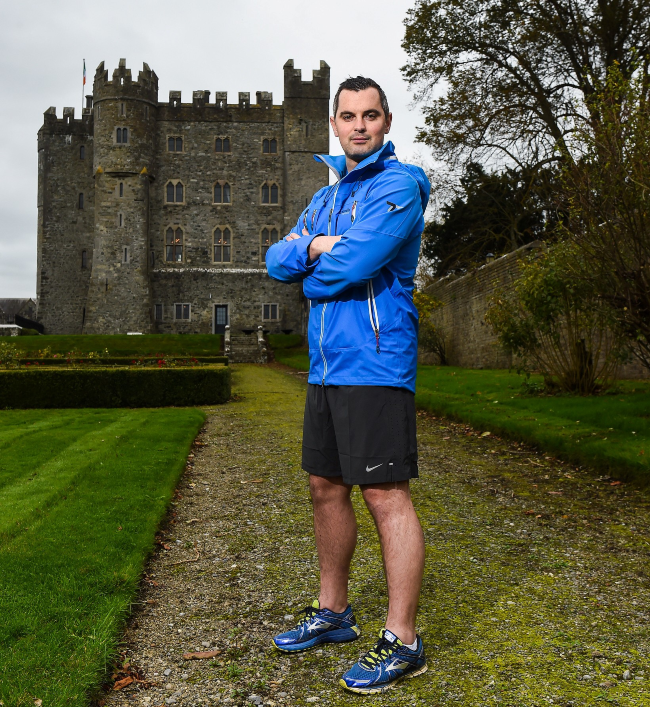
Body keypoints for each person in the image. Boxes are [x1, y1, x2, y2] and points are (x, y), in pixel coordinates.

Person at [265, 76, 430, 695]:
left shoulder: (400, 186)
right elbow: (274, 260)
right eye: (348, 115)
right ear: (333, 125)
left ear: (386, 123)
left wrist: (311, 260)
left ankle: (403, 639)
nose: (359, 125)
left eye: (370, 115)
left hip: (378, 363)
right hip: (326, 366)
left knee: (385, 494)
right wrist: (313, 245)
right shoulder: (324, 199)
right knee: (324, 486)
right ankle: (333, 613)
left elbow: (343, 268)